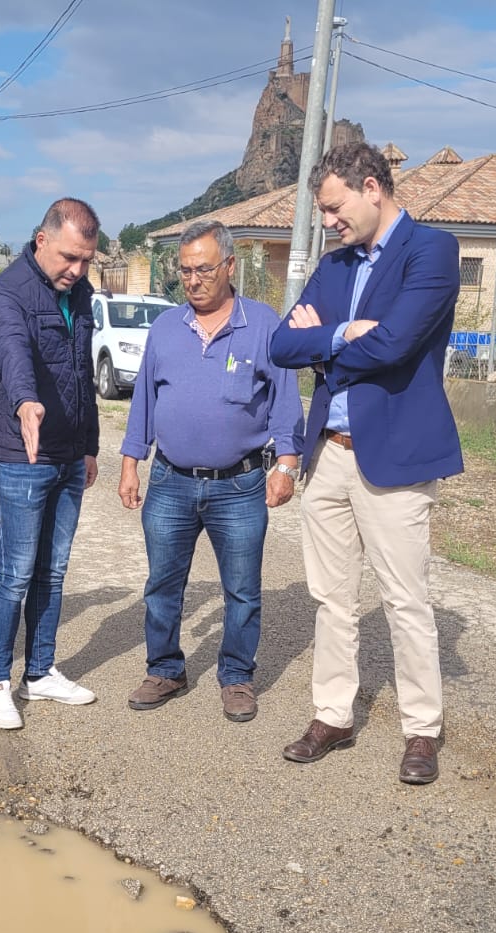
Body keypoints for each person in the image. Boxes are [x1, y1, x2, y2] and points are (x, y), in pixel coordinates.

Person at [269, 141, 463, 784]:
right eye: (322, 211)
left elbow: (398, 343)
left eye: (333, 207)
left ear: (372, 186)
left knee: (405, 600)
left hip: (395, 461)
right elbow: (280, 343)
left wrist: (326, 348)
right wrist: (338, 335)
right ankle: (333, 715)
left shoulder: (431, 251)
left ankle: (421, 731)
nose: (328, 221)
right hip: (329, 455)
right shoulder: (335, 264)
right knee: (332, 599)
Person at [117, 219, 303, 723]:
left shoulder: (263, 326)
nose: (193, 280)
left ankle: (237, 677)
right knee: (162, 584)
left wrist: (286, 466)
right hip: (170, 481)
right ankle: (165, 669)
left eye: (203, 270)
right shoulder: (165, 328)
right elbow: (144, 404)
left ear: (229, 266)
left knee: (242, 590)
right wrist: (131, 463)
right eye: (185, 271)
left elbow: (286, 404)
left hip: (239, 485)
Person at [0, 198, 102, 730]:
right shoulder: (8, 293)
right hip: (22, 456)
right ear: (41, 239)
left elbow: (82, 375)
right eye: (69, 257)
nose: (76, 270)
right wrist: (25, 402)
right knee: (16, 573)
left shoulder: (82, 293)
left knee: (53, 570)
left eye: (86, 261)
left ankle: (41, 671)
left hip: (70, 456)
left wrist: (91, 444)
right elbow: (12, 352)